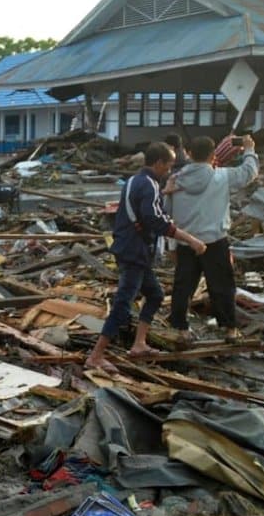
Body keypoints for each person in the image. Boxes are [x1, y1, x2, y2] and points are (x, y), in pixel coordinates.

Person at [85, 142, 207, 371]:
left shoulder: (134, 181)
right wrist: (190, 239)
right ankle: (96, 355)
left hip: (130, 248)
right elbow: (156, 220)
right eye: (169, 165)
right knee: (123, 303)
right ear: (159, 163)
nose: (170, 170)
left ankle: (139, 344)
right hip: (135, 252)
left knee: (155, 295)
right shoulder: (149, 185)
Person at [165, 133, 259, 344]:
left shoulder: (175, 179)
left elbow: (166, 211)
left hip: (186, 241)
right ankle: (229, 330)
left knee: (183, 286)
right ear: (213, 155)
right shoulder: (222, 176)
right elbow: (249, 173)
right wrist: (249, 149)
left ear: (188, 154)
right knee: (222, 285)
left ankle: (180, 329)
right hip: (214, 241)